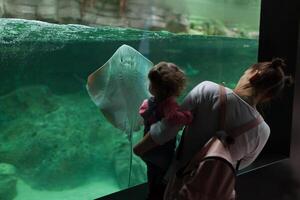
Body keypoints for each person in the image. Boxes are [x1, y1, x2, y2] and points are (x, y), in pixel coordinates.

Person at [134, 58, 293, 199]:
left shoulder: (208, 90)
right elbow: (237, 165)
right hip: (211, 193)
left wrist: (140, 148)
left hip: (178, 185)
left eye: (245, 72)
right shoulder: (263, 131)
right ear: (269, 96)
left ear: (253, 75)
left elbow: (169, 126)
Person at [133, 62, 193, 200]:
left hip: (148, 150)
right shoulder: (169, 104)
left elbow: (143, 112)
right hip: (161, 151)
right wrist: (187, 116)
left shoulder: (149, 102)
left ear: (153, 87)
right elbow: (173, 118)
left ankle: (153, 194)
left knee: (152, 177)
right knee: (162, 181)